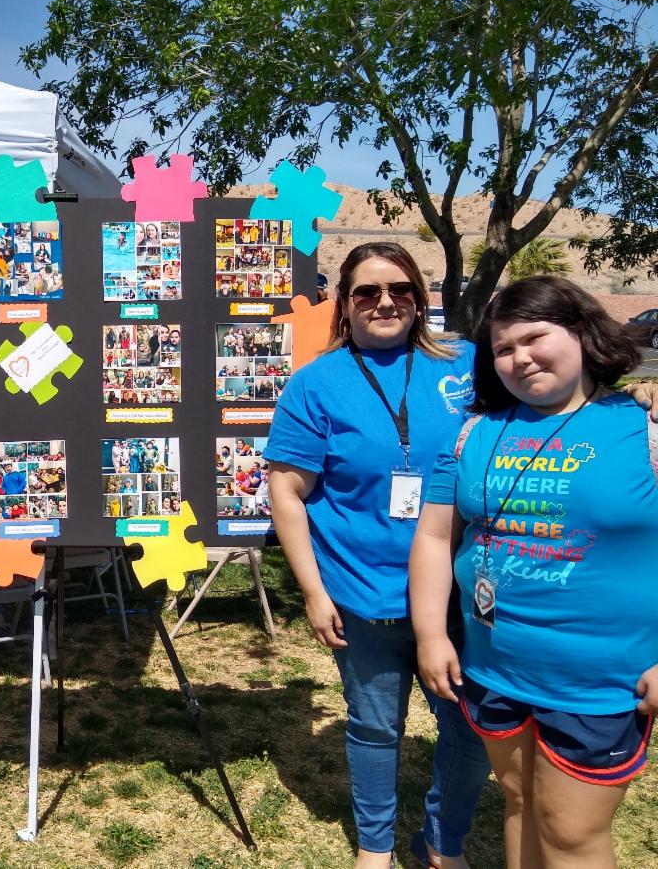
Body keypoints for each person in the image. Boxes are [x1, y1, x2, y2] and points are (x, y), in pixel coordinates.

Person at [410, 277, 658, 869]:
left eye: (534, 338)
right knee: (520, 804)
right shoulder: (474, 432)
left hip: (601, 682)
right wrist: (431, 635)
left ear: (581, 332)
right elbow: (436, 537)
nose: (519, 358)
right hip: (495, 668)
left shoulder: (642, 428)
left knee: (571, 834)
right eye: (503, 348)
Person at [265, 242, 491, 869]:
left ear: (420, 297)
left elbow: (551, 400)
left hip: (460, 595)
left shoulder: (469, 365)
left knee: (471, 729)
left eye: (400, 289)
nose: (385, 302)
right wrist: (314, 592)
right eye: (367, 291)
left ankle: (443, 840)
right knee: (374, 728)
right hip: (362, 594)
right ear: (345, 304)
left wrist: (629, 399)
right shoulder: (316, 383)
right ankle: (375, 845)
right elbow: (286, 491)